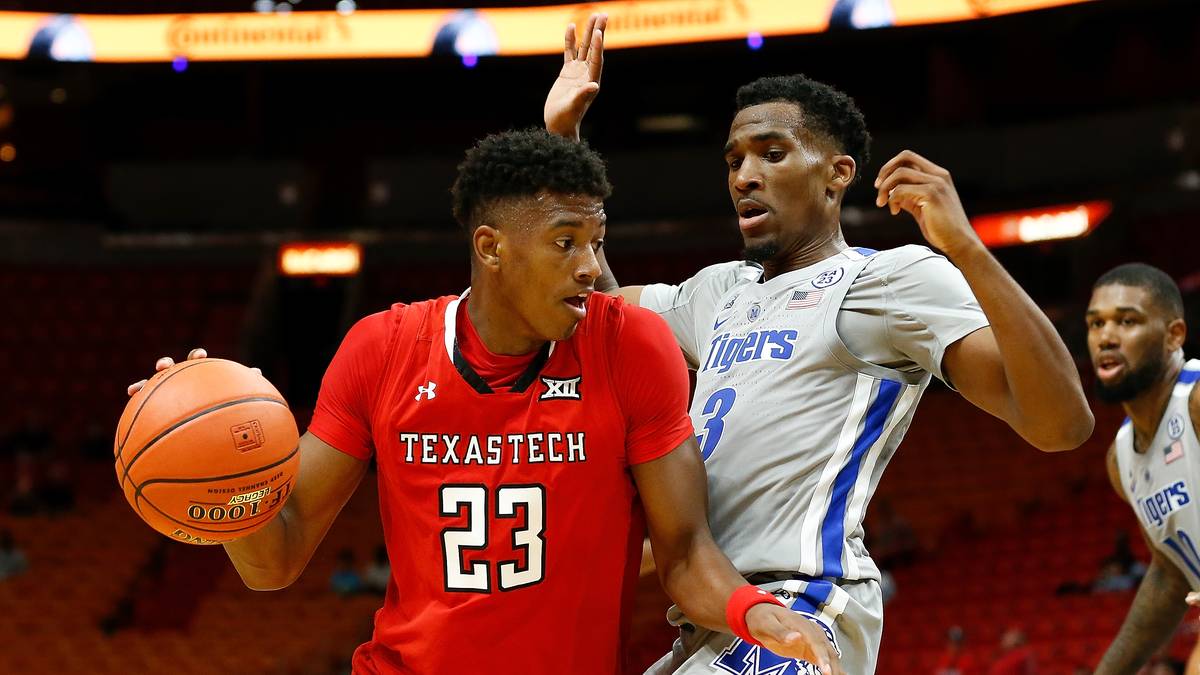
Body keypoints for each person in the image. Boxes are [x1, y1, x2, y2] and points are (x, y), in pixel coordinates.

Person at [127, 129, 841, 675]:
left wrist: (760, 614)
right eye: (566, 242)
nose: (592, 266)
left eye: (596, 239)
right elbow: (274, 559)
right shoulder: (382, 348)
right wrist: (223, 478)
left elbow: (685, 552)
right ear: (491, 246)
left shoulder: (634, 347)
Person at [544, 15, 1094, 674]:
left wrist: (967, 248)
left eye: (772, 153)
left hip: (804, 601)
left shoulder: (887, 277)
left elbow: (1062, 423)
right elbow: (606, 317)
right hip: (717, 613)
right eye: (735, 159)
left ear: (837, 175)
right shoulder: (720, 291)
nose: (745, 175)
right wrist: (565, 143)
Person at [1085, 263, 1200, 675]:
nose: (1106, 337)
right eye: (1096, 323)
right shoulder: (1121, 460)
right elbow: (1170, 576)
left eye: (1127, 321)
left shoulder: (1197, 399)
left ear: (1174, 336)